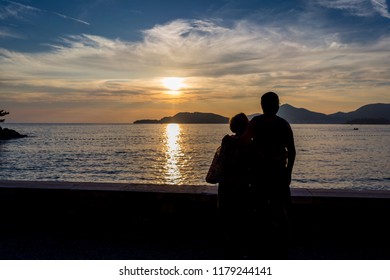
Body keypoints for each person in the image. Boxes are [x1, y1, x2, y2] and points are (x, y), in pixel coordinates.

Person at [239, 91, 296, 259]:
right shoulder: (283, 124)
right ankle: (283, 246)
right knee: (280, 209)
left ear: (262, 106)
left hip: (259, 174)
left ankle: (260, 244)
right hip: (278, 172)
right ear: (276, 106)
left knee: (258, 208)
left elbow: (243, 141)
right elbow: (292, 151)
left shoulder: (256, 122)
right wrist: (288, 172)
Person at [217, 113, 254, 259]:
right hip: (242, 185)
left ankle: (228, 249)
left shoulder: (226, 141)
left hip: (226, 184)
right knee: (242, 218)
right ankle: (241, 250)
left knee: (227, 217)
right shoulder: (249, 145)